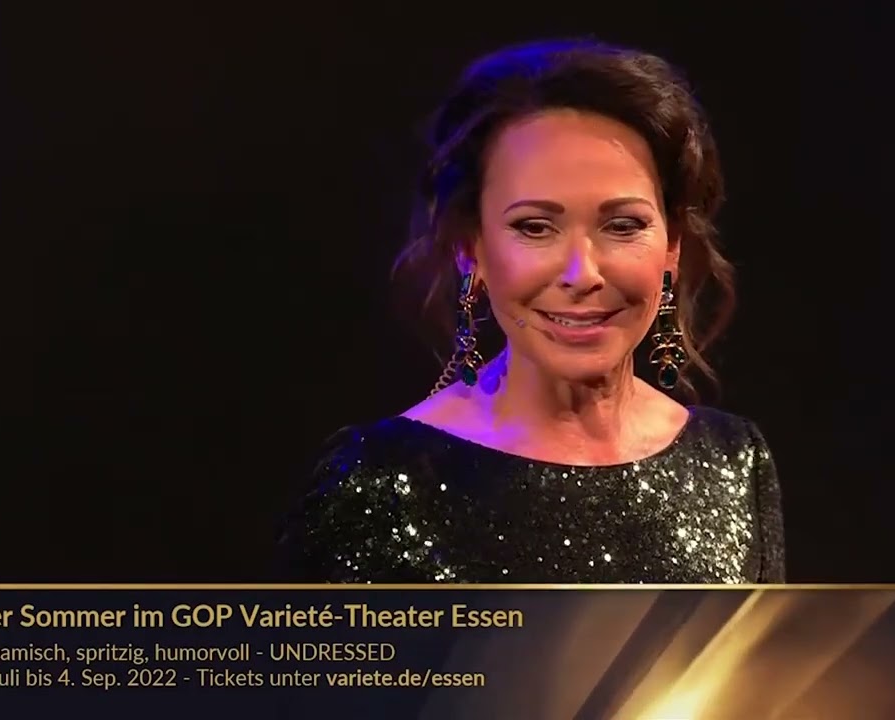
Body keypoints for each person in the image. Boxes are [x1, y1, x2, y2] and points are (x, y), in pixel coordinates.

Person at [279, 38, 785, 584]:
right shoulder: (374, 485)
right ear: (469, 247)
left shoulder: (734, 462)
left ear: (673, 246)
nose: (582, 273)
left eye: (623, 225)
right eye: (535, 227)